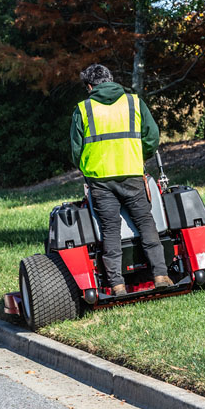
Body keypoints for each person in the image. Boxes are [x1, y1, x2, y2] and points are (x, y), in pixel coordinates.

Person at [70, 64, 174, 296]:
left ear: (89, 86)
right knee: (145, 222)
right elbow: (152, 136)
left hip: (100, 179)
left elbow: (76, 150)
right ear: (110, 79)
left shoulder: (83, 109)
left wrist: (87, 169)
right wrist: (139, 156)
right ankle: (160, 275)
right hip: (131, 174)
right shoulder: (133, 102)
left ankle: (117, 285)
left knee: (110, 230)